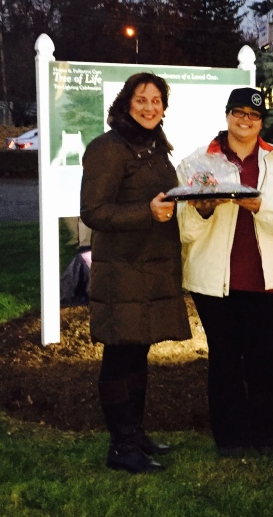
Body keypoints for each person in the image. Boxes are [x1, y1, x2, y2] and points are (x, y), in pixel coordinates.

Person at [176, 87, 273, 458]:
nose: (245, 120)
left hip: (268, 280)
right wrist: (202, 209)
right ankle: (230, 437)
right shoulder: (197, 161)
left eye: (253, 115)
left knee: (264, 359)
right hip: (213, 282)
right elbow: (183, 229)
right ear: (227, 116)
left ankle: (267, 435)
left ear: (261, 122)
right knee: (224, 359)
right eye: (238, 113)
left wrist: (260, 205)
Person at [80, 72, 192, 473]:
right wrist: (144, 213)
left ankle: (135, 434)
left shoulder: (154, 147)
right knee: (119, 355)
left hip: (152, 267)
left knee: (138, 352)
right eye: (142, 99)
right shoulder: (108, 148)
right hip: (122, 271)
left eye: (156, 100)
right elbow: (92, 212)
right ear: (127, 103)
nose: (150, 107)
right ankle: (120, 446)